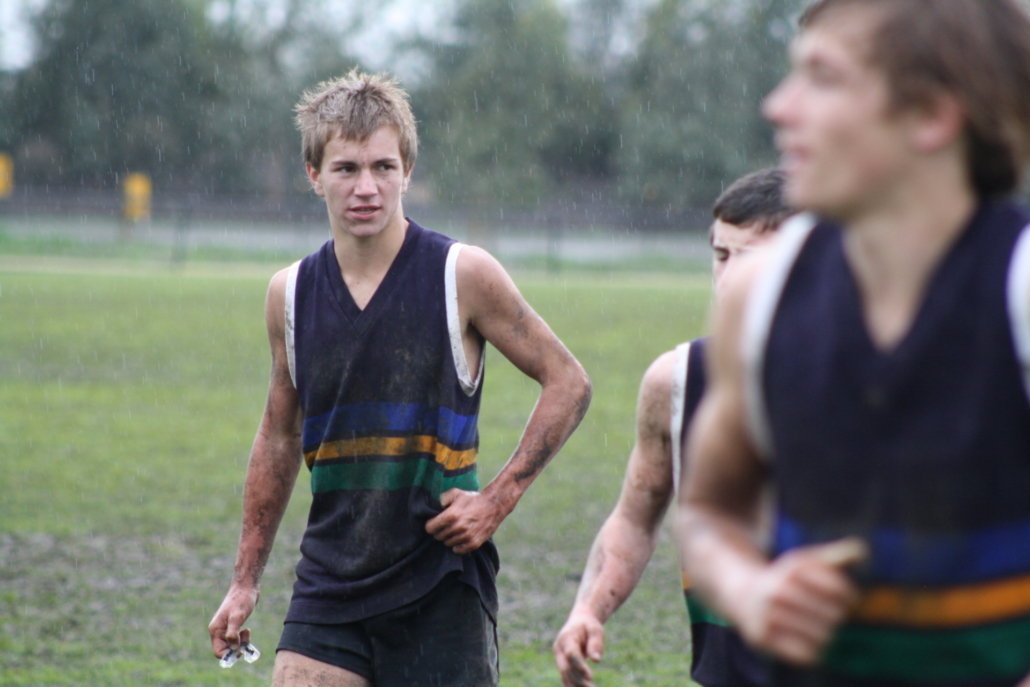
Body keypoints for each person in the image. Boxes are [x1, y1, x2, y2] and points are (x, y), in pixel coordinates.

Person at [677, 1, 1030, 685]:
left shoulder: (1017, 292)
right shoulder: (762, 296)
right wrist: (751, 588)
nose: (779, 107)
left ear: (930, 114)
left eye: (822, 78)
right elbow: (708, 511)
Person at [207, 69, 593, 687]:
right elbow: (280, 436)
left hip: (440, 585)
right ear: (314, 175)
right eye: (346, 168)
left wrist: (497, 499)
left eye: (383, 168)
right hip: (329, 584)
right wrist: (245, 581)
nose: (367, 188)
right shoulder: (289, 294)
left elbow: (569, 382)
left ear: (407, 170)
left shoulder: (461, 274)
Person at [553, 168, 794, 687]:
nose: (727, 279)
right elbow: (635, 520)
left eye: (751, 261)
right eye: (720, 255)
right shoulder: (677, 381)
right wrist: (588, 610)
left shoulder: (880, 380)